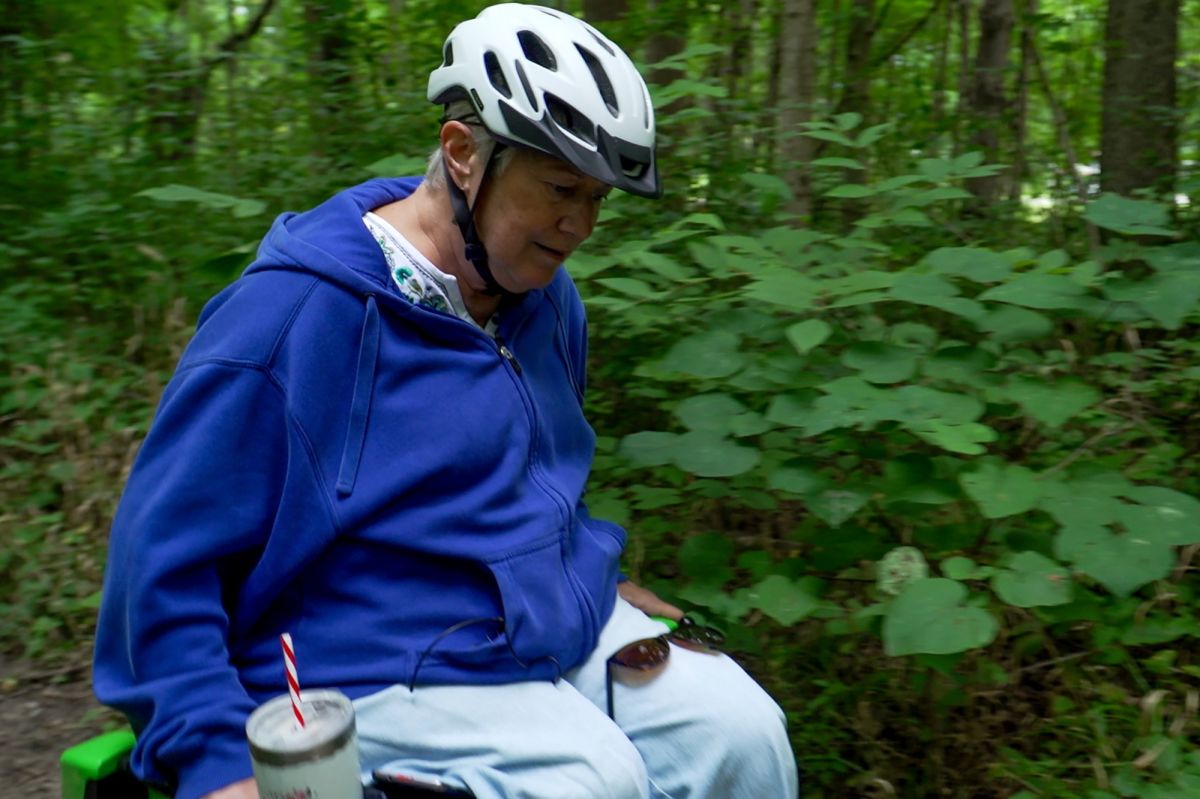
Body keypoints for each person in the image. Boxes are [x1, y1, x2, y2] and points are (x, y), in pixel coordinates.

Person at [92, 4, 799, 798]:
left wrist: (587, 573)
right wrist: (214, 757)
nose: (581, 225)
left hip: (528, 627)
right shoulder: (290, 321)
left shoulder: (544, 302)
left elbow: (529, 485)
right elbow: (159, 565)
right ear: (462, 153)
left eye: (600, 198)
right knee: (591, 781)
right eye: (562, 187)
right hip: (357, 655)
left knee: (744, 733)